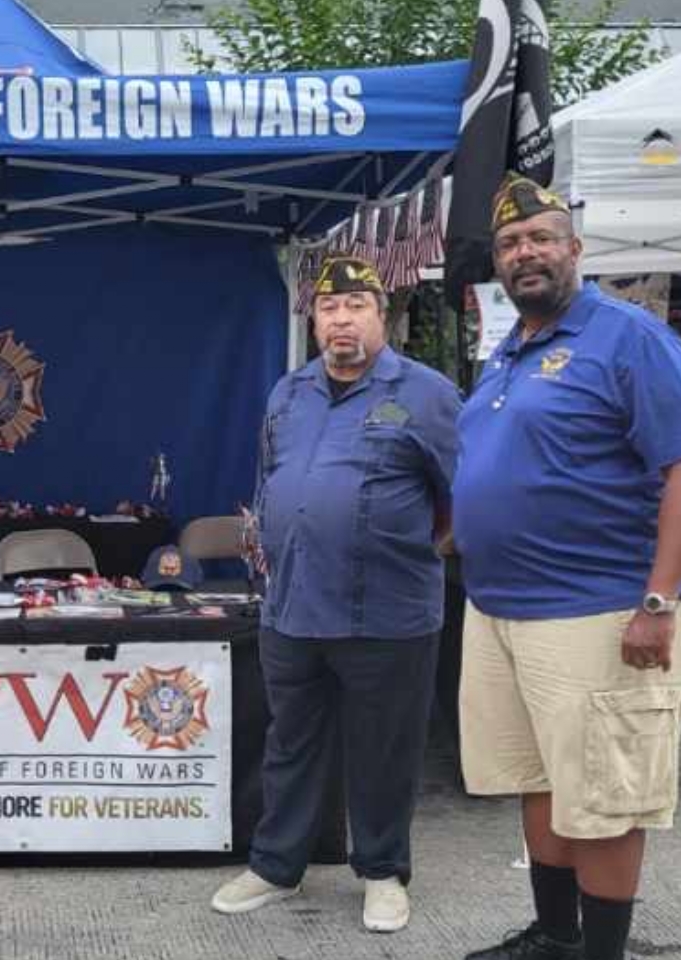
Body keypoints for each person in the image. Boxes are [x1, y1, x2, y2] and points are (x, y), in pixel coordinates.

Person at [453, 174, 681, 960]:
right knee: (540, 779)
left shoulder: (629, 338)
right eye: (510, 244)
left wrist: (658, 602)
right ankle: (554, 934)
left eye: (540, 238)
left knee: (606, 796)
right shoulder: (510, 350)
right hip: (501, 610)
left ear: (575, 249)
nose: (524, 253)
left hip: (599, 610)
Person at [211, 255, 461, 933]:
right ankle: (276, 866)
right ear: (314, 319)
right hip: (293, 605)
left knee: (383, 749)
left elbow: (459, 499)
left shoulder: (427, 394)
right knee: (291, 742)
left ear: (383, 316)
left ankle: (382, 873)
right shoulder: (288, 394)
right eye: (329, 308)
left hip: (388, 612)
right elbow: (270, 481)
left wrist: (393, 545)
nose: (341, 319)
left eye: (356, 306)